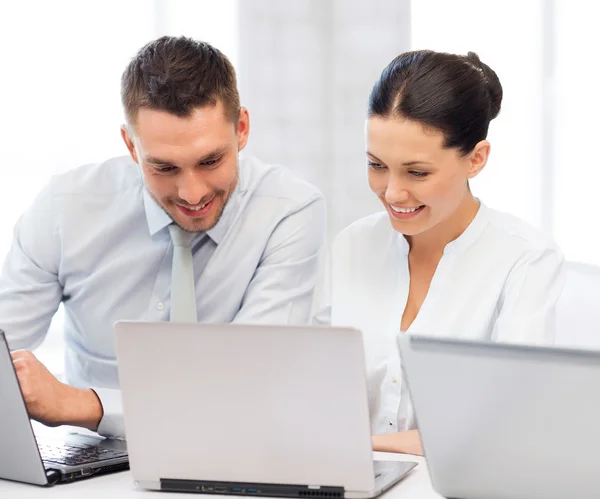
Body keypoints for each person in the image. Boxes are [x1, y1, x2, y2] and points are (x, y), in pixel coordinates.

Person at [0, 36, 326, 439]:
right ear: (130, 147)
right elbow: (3, 352)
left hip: (233, 449)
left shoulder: (289, 211)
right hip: (86, 466)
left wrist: (81, 404)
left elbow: (251, 387)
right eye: (165, 168)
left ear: (241, 129)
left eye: (211, 161)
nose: (193, 193)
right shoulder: (63, 210)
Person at [313, 50, 565, 455]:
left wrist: (363, 446)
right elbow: (313, 390)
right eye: (377, 165)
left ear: (476, 159)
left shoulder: (526, 260)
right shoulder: (352, 247)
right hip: (348, 477)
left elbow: (512, 423)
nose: (392, 192)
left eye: (417, 172)